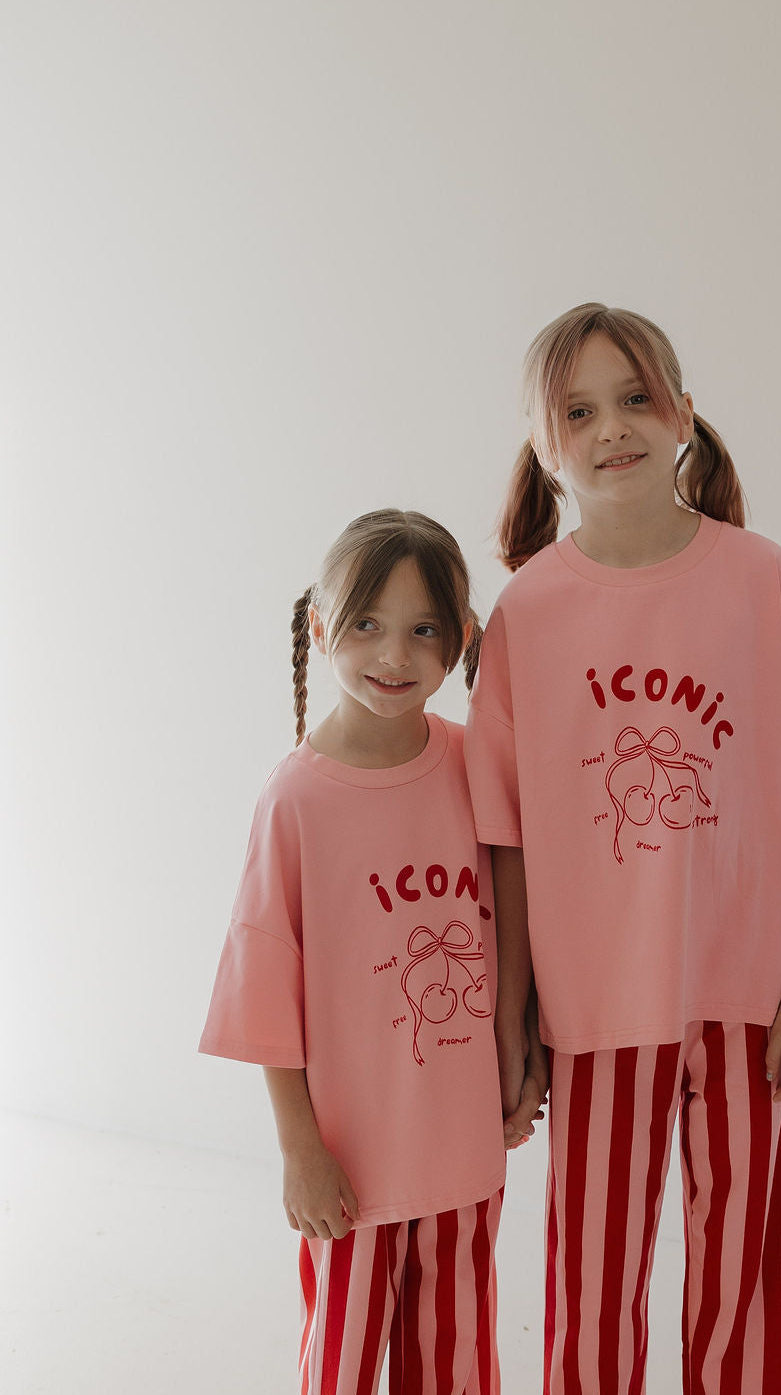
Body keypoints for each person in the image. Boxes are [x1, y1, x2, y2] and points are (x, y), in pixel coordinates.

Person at [464, 305, 781, 1395]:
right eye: (576, 411)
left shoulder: (761, 579)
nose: (611, 428)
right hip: (595, 1011)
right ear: (546, 450)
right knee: (590, 1294)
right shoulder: (527, 615)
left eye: (633, 399)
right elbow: (504, 843)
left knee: (752, 1288)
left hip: (754, 1003)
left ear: (683, 415)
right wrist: (516, 1018)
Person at [200, 510, 507, 1395]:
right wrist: (300, 1149)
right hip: (351, 1166)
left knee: (456, 1368)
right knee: (340, 1365)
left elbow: (507, 926)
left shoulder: (470, 763)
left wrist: (515, 1063)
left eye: (424, 630)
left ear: (462, 640)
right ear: (321, 626)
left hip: (460, 1149)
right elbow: (265, 994)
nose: (395, 655)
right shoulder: (297, 800)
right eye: (368, 623)